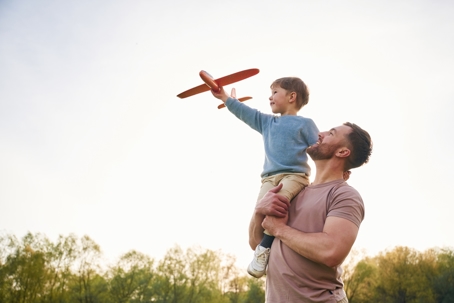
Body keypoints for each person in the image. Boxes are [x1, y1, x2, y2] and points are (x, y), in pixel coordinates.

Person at [249, 122, 373, 303]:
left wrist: (279, 230)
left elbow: (331, 251)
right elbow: (256, 243)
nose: (319, 133)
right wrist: (259, 211)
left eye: (330, 133)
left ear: (342, 152)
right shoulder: (293, 190)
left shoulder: (345, 195)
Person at [211, 77, 319, 278]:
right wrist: (225, 97)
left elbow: (319, 150)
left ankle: (263, 250)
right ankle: (260, 245)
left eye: (275, 92)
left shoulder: (306, 124)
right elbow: (246, 113)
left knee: (277, 205)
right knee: (260, 211)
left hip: (295, 176)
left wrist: (338, 171)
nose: (270, 97)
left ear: (291, 97)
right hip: (268, 178)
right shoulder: (267, 122)